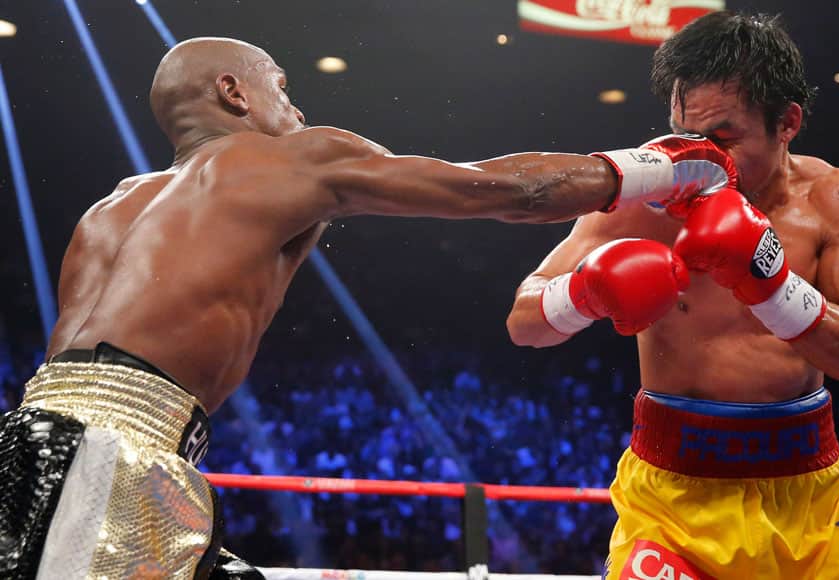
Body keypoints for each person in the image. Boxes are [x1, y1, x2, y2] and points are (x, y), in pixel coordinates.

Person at [0, 37, 737, 579]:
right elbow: (502, 190)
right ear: (233, 92)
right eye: (281, 85)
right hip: (102, 463)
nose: (295, 103)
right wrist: (659, 168)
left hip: (49, 443)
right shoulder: (292, 160)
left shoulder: (108, 209)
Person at [506, 11, 839, 580]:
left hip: (810, 499)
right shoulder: (644, 196)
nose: (699, 156)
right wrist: (586, 291)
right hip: (671, 500)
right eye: (684, 135)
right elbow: (523, 321)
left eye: (722, 138)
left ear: (787, 122)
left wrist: (771, 285)